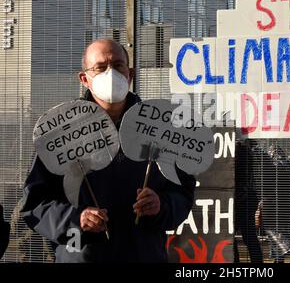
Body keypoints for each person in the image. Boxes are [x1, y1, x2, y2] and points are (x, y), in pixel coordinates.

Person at [20, 38, 196, 262]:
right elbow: (35, 204)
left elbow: (182, 192)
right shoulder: (60, 134)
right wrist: (76, 219)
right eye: (100, 68)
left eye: (117, 65)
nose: (110, 73)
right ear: (85, 78)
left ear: (130, 74)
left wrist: (162, 207)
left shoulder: (159, 130)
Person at [256, 143, 290, 263]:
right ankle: (278, 258)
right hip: (288, 204)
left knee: (273, 230)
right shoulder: (286, 164)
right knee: (279, 230)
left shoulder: (276, 165)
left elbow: (271, 185)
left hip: (277, 204)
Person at [234, 138, 263, 263]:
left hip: (240, 200)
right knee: (250, 236)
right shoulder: (249, 154)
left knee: (231, 235)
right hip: (247, 199)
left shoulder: (240, 154)